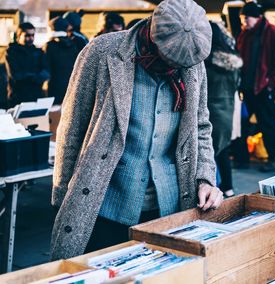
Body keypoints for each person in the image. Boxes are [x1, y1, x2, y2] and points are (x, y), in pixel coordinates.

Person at [50, 0, 223, 260]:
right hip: (104, 204)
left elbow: (200, 126)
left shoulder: (192, 63)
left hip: (169, 208)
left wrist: (206, 178)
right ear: (154, 38)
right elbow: (72, 126)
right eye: (170, 60)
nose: (177, 69)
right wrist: (63, 196)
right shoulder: (101, 51)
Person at [237, 2, 275, 172]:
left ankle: (274, 161)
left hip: (262, 89)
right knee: (241, 124)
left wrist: (271, 84)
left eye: (246, 18)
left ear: (256, 17)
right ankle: (242, 158)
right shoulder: (245, 34)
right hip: (247, 89)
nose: (243, 22)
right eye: (242, 19)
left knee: (268, 126)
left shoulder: (271, 32)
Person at [205, 21, 242, 198]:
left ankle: (213, 188)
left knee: (207, 152)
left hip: (209, 111)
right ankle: (228, 187)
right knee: (223, 150)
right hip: (228, 110)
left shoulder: (206, 61)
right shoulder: (232, 62)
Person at [5, 22, 49, 108]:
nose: (31, 38)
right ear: (19, 36)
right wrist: (36, 77)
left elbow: (46, 73)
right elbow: (15, 75)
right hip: (17, 98)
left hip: (36, 97)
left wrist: (29, 76)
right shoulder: (11, 52)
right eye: (27, 35)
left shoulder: (38, 52)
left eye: (33, 35)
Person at [43, 17, 80, 105]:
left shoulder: (49, 46)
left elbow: (46, 68)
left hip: (54, 87)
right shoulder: (73, 45)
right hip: (71, 87)